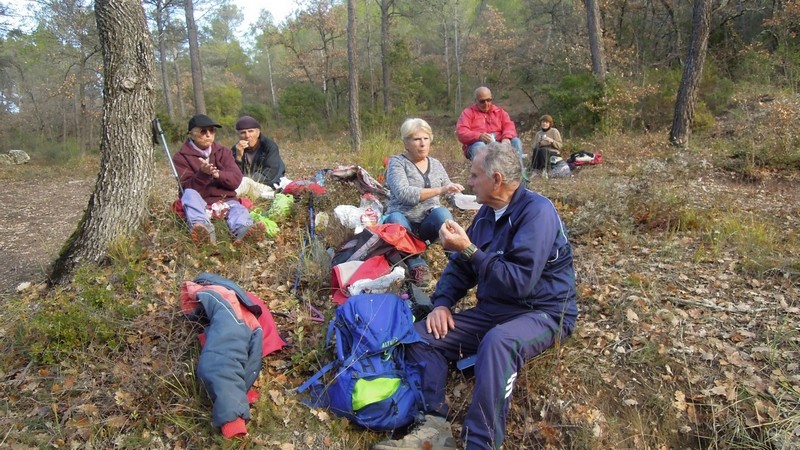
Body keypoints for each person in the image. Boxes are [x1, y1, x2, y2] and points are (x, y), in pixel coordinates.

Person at [372, 142, 578, 450]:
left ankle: (480, 443)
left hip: (541, 313)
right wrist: (441, 304)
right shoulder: (487, 214)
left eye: (474, 175)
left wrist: (469, 249)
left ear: (496, 180)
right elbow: (461, 269)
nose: (468, 182)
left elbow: (519, 282)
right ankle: (434, 425)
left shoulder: (538, 213)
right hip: (494, 311)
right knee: (419, 337)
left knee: (499, 343)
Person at [384, 118, 464, 287]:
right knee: (395, 219)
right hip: (404, 224)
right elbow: (404, 194)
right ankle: (417, 264)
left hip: (427, 225)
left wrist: (464, 198)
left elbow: (448, 191)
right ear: (405, 142)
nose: (422, 144)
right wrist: (441, 190)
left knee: (443, 213)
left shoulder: (435, 164)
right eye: (416, 139)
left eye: (425, 138)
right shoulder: (397, 163)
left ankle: (459, 261)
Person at [173, 114, 265, 245]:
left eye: (212, 130)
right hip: (200, 202)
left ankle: (245, 233)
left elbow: (236, 180)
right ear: (191, 134)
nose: (208, 134)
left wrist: (218, 175)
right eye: (203, 131)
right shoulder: (181, 157)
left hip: (226, 199)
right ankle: (204, 233)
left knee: (238, 210)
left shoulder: (223, 152)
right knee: (189, 194)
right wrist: (202, 174)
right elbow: (185, 189)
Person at [456, 87, 523, 160]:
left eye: (488, 100)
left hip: (499, 142)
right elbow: (461, 132)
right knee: (480, 146)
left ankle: (518, 170)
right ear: (475, 101)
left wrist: (506, 138)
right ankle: (486, 171)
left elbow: (509, 126)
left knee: (516, 141)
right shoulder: (468, 113)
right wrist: (479, 136)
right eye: (482, 101)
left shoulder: (499, 111)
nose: (486, 103)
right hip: (477, 144)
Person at [231, 115, 286, 189]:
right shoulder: (236, 149)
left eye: (251, 131)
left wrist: (247, 181)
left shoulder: (269, 146)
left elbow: (269, 173)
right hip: (244, 184)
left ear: (258, 132)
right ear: (238, 135)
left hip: (270, 184)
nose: (247, 135)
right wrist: (238, 157)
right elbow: (233, 174)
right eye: (243, 133)